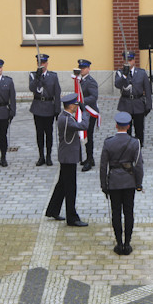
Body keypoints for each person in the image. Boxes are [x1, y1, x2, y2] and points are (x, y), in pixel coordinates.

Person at [100, 111, 144, 255]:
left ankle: (119, 243)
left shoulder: (108, 142)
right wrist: (138, 184)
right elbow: (138, 165)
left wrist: (104, 185)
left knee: (116, 213)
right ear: (129, 126)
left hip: (114, 182)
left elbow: (103, 166)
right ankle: (127, 243)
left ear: (116, 125)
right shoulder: (134, 142)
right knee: (129, 213)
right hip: (129, 182)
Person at [45, 93, 89, 227]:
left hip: (67, 156)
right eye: (75, 104)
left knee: (62, 185)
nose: (77, 106)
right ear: (70, 106)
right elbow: (84, 125)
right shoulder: (67, 120)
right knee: (70, 188)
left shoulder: (65, 116)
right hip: (68, 158)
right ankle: (72, 218)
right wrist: (85, 111)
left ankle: (53, 210)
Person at [29, 54, 61, 166]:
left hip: (49, 107)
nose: (41, 65)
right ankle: (41, 156)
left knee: (49, 133)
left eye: (43, 63)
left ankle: (48, 156)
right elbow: (32, 88)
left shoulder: (53, 76)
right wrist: (37, 77)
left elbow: (57, 93)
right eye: (39, 63)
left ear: (47, 64)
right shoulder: (33, 75)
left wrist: (57, 109)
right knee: (39, 133)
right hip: (38, 106)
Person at [115, 51, 152, 147]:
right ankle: (127, 147)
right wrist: (124, 75)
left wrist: (149, 105)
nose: (128, 62)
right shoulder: (120, 73)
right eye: (126, 60)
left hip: (138, 103)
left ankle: (139, 147)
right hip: (125, 103)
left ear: (134, 61)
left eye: (130, 60)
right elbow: (117, 85)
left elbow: (147, 90)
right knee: (126, 129)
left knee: (139, 129)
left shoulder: (141, 73)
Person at [78, 59, 99, 172]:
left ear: (89, 69)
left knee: (88, 136)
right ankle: (88, 158)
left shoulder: (90, 81)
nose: (82, 69)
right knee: (84, 135)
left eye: (84, 68)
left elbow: (93, 97)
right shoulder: (80, 80)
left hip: (90, 112)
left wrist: (82, 101)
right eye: (81, 67)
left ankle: (90, 159)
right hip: (83, 112)